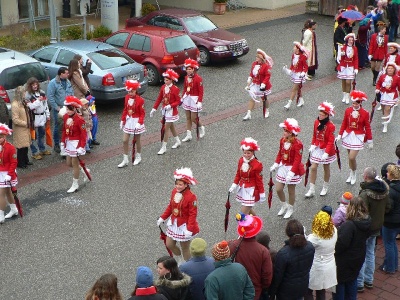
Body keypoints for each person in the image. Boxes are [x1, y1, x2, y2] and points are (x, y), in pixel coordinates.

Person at [357, 166, 390, 292]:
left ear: (365, 177)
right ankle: (369, 280)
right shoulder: (384, 191)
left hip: (365, 229)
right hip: (377, 227)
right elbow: (388, 207)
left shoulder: (365, 194)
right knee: (371, 253)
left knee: (362, 254)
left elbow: (361, 212)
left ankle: (359, 283)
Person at [157, 167, 199, 263]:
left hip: (184, 225)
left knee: (185, 248)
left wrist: (189, 229)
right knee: (169, 244)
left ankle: (188, 265)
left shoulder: (191, 197)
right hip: (174, 223)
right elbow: (170, 207)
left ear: (186, 185)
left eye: (180, 184)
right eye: (176, 184)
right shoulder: (174, 192)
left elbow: (193, 214)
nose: (178, 186)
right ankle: (180, 259)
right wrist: (163, 217)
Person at [333, 197, 371, 300]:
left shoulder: (349, 225)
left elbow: (341, 245)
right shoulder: (367, 221)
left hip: (345, 260)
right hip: (359, 256)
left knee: (339, 283)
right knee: (352, 280)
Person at [228, 213, 273, 300]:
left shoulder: (232, 246)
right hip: (256, 292)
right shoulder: (263, 251)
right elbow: (267, 277)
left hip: (237, 291)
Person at [269, 219, 315, 300]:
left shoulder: (283, 253)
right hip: (302, 286)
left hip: (286, 291)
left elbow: (278, 277)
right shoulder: (310, 247)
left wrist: (272, 294)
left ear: (288, 233)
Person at [336, 90, 373, 185]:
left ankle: (354, 173)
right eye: (353, 103)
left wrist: (370, 140)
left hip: (358, 136)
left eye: (356, 103)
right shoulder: (348, 110)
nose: (354, 105)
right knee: (349, 157)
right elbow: (344, 122)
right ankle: (351, 173)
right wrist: (340, 134)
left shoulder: (365, 113)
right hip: (348, 135)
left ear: (360, 103)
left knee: (352, 157)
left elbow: (367, 127)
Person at [270, 118, 305, 219]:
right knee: (278, 189)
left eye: (286, 131)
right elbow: (280, 154)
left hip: (292, 169)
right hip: (283, 166)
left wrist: (291, 173)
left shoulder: (298, 144)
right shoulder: (282, 140)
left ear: (291, 133)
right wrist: (276, 164)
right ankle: (283, 205)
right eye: (284, 130)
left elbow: (297, 160)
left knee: (291, 190)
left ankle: (290, 208)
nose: (284, 132)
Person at [305, 102, 337, 198]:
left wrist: (326, 153)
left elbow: (331, 141)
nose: (320, 116)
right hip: (318, 147)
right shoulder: (316, 122)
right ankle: (311, 189)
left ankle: (325, 187)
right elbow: (314, 135)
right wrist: (312, 145)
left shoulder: (331, 126)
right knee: (313, 167)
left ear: (327, 115)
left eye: (322, 115)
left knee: (326, 167)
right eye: (319, 114)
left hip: (326, 149)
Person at [305, 210, 338, 300]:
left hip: (316, 268)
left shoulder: (315, 238)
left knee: (307, 291)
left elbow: (306, 245)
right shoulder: (334, 231)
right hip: (330, 265)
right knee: (321, 291)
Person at [228, 137, 265, 215]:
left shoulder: (257, 164)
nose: (246, 155)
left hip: (251, 191)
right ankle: (257, 223)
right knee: (248, 211)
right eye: (244, 153)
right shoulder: (241, 160)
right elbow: (238, 174)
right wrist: (234, 185)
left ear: (253, 153)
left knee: (241, 216)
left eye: (248, 153)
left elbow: (259, 180)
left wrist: (262, 193)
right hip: (243, 188)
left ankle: (248, 225)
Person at [61, 96, 89, 193]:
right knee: (69, 164)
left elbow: (83, 134)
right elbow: (64, 130)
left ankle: (75, 184)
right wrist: (62, 142)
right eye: (67, 109)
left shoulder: (79, 119)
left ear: (74, 109)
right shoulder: (65, 117)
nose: (67, 111)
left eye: (69, 109)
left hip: (76, 144)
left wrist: (81, 146)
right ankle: (85, 171)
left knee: (74, 164)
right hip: (69, 143)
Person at [150, 69, 181, 155]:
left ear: (171, 80)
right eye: (164, 80)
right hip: (165, 111)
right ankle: (178, 141)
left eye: (167, 80)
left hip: (171, 111)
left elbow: (178, 101)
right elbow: (159, 98)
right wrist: (154, 108)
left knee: (165, 128)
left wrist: (170, 105)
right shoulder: (163, 87)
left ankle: (164, 147)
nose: (165, 81)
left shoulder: (175, 89)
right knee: (171, 127)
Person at [117, 80, 146, 167]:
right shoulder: (126, 97)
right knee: (125, 140)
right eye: (129, 91)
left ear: (136, 91)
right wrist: (122, 120)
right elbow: (125, 109)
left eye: (132, 91)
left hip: (136, 121)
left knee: (137, 141)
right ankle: (125, 159)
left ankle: (138, 156)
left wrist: (139, 123)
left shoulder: (140, 100)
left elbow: (142, 113)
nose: (130, 93)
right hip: (129, 120)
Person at [47, 67, 74, 154]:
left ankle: (66, 143)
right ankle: (57, 144)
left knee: (68, 125)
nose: (68, 74)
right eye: (66, 73)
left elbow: (71, 92)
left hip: (68, 108)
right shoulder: (53, 83)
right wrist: (56, 107)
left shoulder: (67, 81)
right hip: (59, 109)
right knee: (58, 126)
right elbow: (50, 97)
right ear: (61, 74)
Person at [25, 77, 51, 160]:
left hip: (42, 116)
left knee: (42, 134)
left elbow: (45, 105)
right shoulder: (28, 95)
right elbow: (31, 107)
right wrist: (38, 100)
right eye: (33, 85)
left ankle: (42, 149)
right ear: (30, 86)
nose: (35, 86)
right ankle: (34, 152)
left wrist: (47, 115)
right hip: (33, 118)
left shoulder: (42, 92)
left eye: (36, 84)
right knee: (33, 136)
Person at [243, 48, 273, 120]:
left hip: (262, 86)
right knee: (252, 98)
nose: (256, 58)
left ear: (261, 58)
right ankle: (248, 113)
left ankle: (267, 110)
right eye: (256, 56)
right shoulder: (254, 64)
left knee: (264, 99)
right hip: (255, 84)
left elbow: (267, 76)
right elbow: (252, 73)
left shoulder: (266, 66)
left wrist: (263, 84)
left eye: (258, 57)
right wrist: (250, 78)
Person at [381, 164, 400, 274]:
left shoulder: (390, 191)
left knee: (388, 243)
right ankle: (394, 264)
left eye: (388, 172)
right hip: (398, 220)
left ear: (392, 175)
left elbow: (388, 208)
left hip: (390, 221)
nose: (386, 174)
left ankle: (390, 267)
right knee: (392, 243)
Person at [180, 58, 205, 141]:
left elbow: (201, 91)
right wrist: (182, 97)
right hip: (187, 99)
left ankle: (201, 127)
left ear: (193, 69)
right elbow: (184, 88)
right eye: (187, 69)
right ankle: (188, 134)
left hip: (195, 100)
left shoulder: (198, 79)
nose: (188, 71)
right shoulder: (186, 78)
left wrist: (200, 101)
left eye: (190, 69)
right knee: (188, 117)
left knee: (193, 118)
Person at [0, 123, 18, 222]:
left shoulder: (10, 147)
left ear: (5, 136)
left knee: (1, 194)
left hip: (7, 174)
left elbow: (14, 162)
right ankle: (14, 209)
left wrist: (9, 175)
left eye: (0, 137)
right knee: (7, 192)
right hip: (0, 173)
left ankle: (1, 215)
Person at [375, 62, 400, 132]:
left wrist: (398, 99)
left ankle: (385, 125)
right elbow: (378, 83)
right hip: (383, 95)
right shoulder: (382, 76)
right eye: (388, 68)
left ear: (394, 70)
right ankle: (386, 117)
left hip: (392, 95)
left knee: (387, 109)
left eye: (391, 68)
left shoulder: (397, 78)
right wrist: (377, 89)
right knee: (383, 108)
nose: (390, 70)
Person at [282, 41, 308, 109]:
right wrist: (287, 70)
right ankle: (301, 100)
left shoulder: (303, 57)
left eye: (295, 47)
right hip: (294, 73)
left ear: (298, 49)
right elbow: (292, 65)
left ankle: (289, 104)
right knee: (298, 88)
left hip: (299, 75)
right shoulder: (293, 55)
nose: (293, 48)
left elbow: (305, 67)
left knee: (294, 89)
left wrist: (303, 73)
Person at [11, 85, 32, 169]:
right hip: (20, 128)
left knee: (25, 145)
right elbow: (15, 119)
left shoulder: (22, 102)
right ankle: (20, 162)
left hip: (25, 128)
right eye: (24, 93)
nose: (25, 94)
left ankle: (26, 160)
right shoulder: (15, 105)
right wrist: (25, 123)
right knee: (21, 147)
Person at [337, 33, 359, 104]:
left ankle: (347, 96)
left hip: (350, 66)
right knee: (343, 81)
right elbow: (339, 58)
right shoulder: (343, 47)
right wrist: (341, 55)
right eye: (350, 40)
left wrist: (356, 68)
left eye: (352, 40)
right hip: (343, 66)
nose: (351, 41)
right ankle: (344, 95)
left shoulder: (355, 48)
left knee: (348, 82)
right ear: (347, 40)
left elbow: (356, 59)